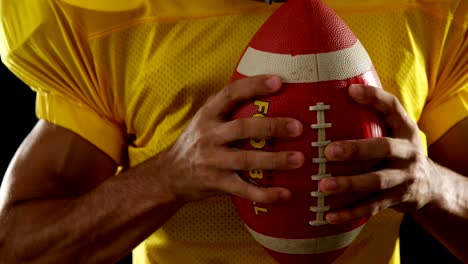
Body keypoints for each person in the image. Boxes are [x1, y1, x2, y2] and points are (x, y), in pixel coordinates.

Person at [0, 0, 466, 263]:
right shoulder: (107, 21)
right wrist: (166, 178)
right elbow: (17, 247)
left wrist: (430, 184)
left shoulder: (426, 10)